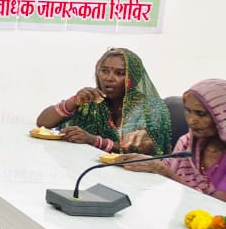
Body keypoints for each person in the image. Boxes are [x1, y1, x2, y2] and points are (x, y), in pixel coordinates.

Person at [35, 48, 171, 155]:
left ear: (134, 79)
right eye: (104, 71)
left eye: (119, 73)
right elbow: (43, 123)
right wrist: (74, 101)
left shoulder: (151, 107)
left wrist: (94, 141)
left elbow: (146, 149)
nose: (109, 78)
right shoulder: (91, 100)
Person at [121, 79, 226, 198]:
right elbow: (162, 182)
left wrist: (163, 171)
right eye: (188, 111)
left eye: (201, 114)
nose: (191, 121)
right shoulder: (186, 142)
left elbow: (216, 205)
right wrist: (149, 151)